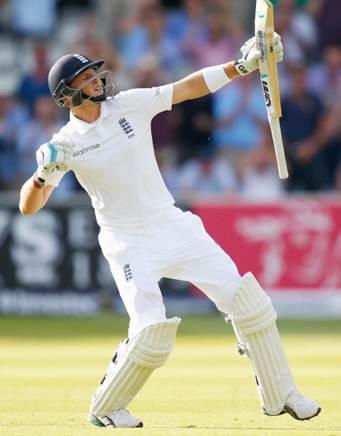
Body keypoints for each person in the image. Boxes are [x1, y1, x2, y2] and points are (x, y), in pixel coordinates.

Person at [19, 36, 321, 428]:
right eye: (85, 77)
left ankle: (281, 396)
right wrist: (41, 175)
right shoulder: (65, 145)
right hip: (128, 242)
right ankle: (106, 408)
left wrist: (242, 66)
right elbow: (28, 206)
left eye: (95, 72)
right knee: (152, 333)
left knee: (250, 304)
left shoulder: (129, 104)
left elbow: (187, 87)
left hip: (174, 225)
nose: (96, 79)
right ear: (67, 96)